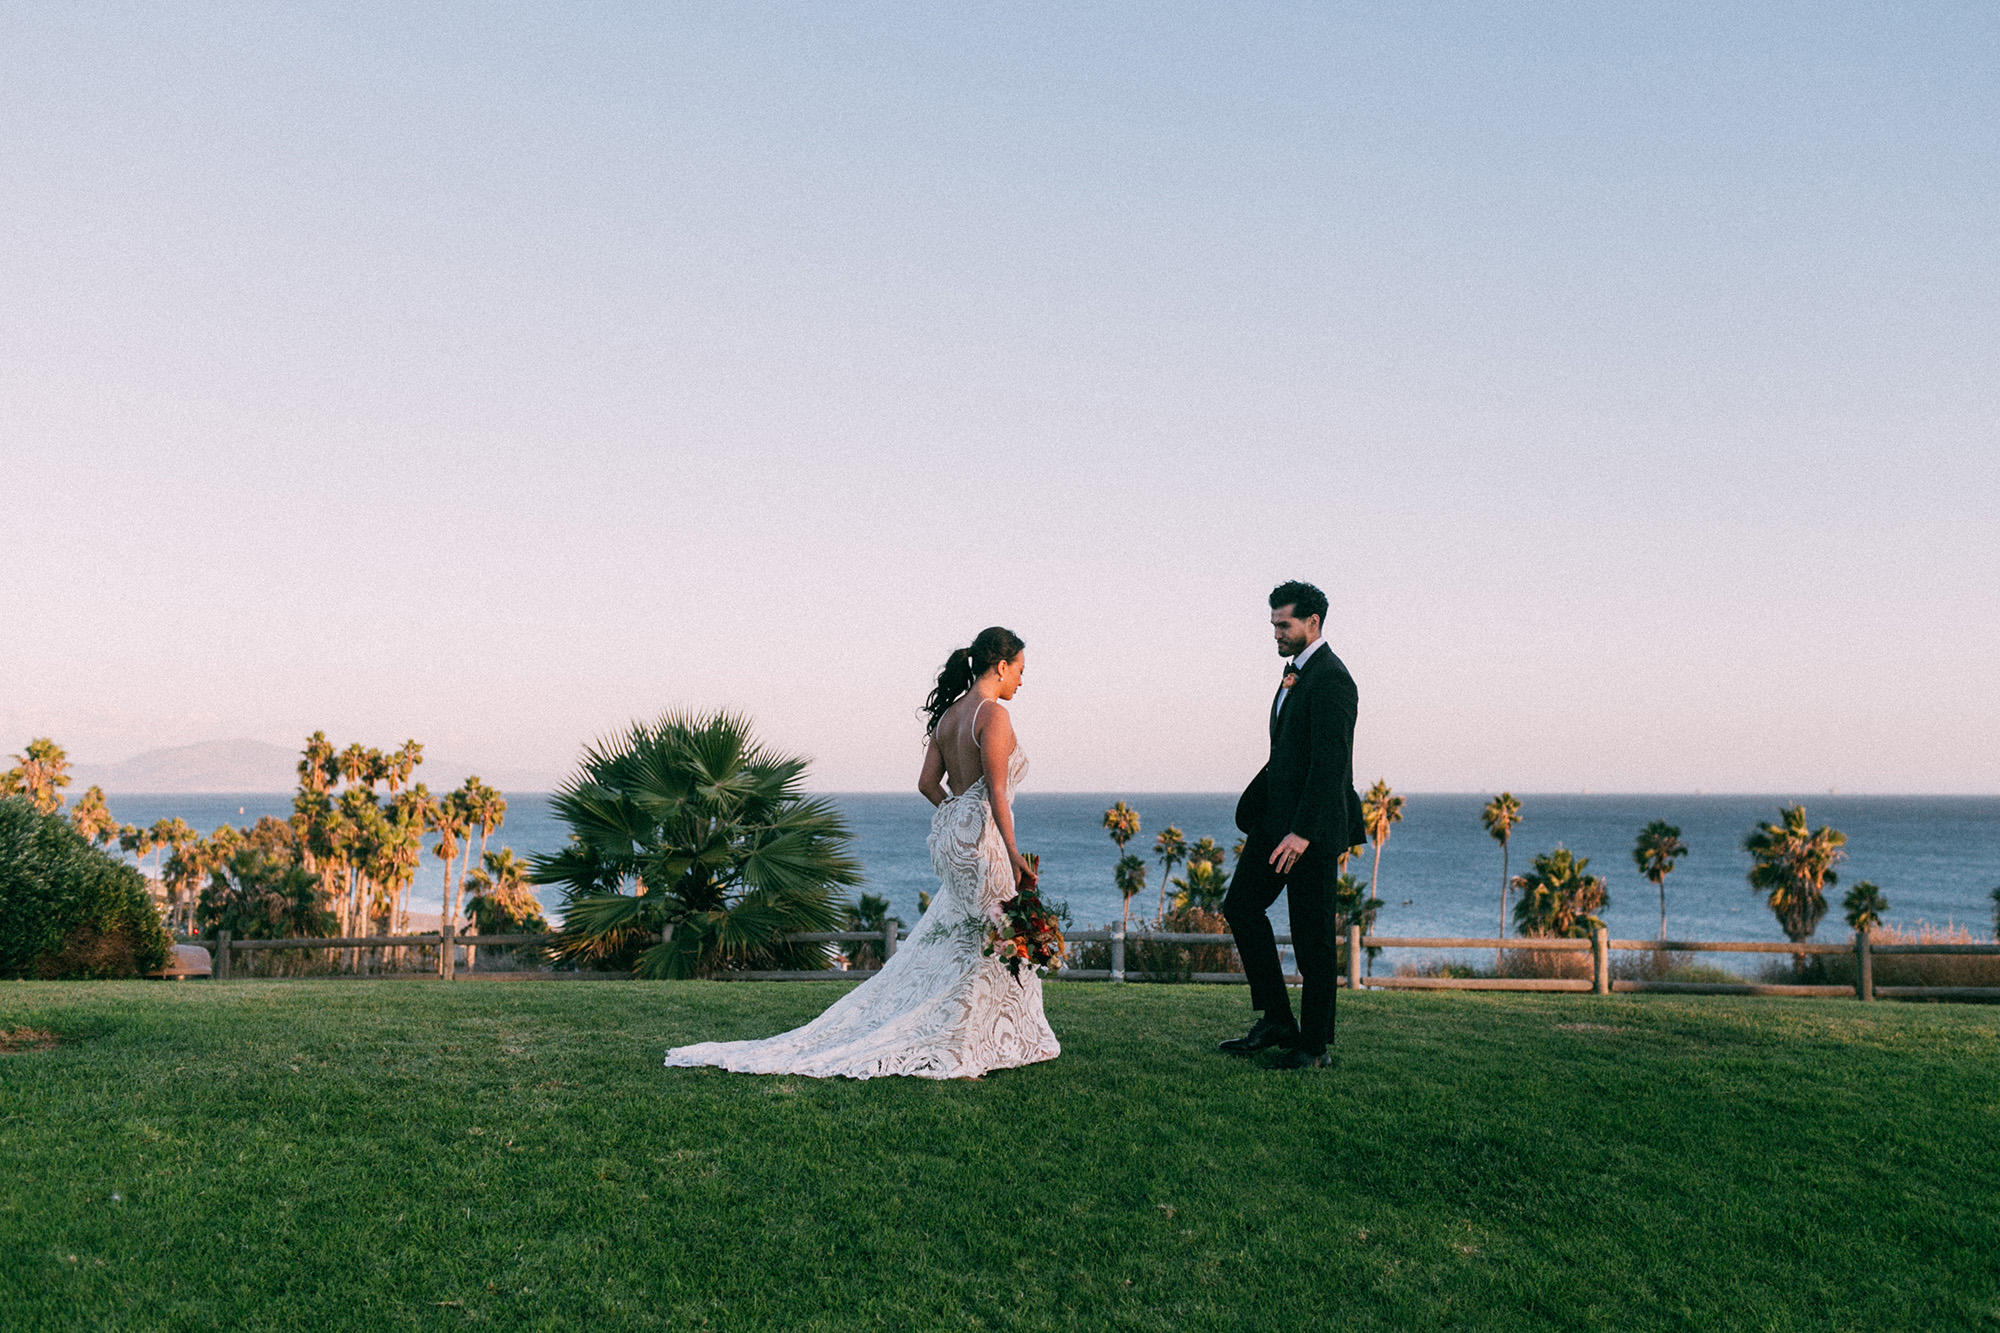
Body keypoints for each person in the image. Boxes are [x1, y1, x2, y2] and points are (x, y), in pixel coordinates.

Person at [664, 627, 1060, 1080]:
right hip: (983, 843)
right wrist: (1013, 855)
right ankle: (966, 1048)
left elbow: (928, 785)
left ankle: (977, 1037)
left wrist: (956, 815)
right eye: (1021, 671)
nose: (1022, 683)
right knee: (986, 939)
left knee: (968, 936)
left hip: (954, 842)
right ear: (1002, 665)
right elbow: (996, 793)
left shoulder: (948, 718)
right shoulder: (993, 716)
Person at [1219, 581, 1365, 1069]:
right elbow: (1285, 752)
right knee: (1240, 906)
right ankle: (1278, 1019)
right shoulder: (1296, 675)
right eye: (1274, 625)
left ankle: (1314, 1047)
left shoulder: (1333, 679)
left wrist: (1302, 833)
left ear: (1313, 624)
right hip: (1273, 824)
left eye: (1284, 625)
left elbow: (1330, 765)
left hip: (1311, 833)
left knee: (1312, 938)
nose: (1277, 633)